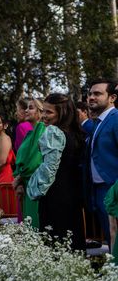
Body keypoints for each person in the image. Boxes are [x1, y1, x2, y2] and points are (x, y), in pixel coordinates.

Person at [26, 94, 85, 251]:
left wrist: (34, 188)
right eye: (43, 111)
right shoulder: (76, 133)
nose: (44, 116)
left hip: (55, 194)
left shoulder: (53, 133)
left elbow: (48, 169)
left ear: (63, 112)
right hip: (73, 193)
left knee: (55, 240)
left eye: (49, 112)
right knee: (71, 240)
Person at [85, 78, 118, 249]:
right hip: (97, 190)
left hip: (113, 188)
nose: (91, 97)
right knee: (109, 238)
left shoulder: (116, 118)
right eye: (90, 93)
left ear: (112, 97)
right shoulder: (97, 122)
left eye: (97, 94)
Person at [13, 98, 45, 228]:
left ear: (40, 113)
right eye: (26, 108)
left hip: (35, 184)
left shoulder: (42, 130)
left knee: (35, 223)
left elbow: (36, 160)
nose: (26, 110)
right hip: (25, 184)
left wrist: (19, 177)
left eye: (31, 108)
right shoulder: (30, 133)